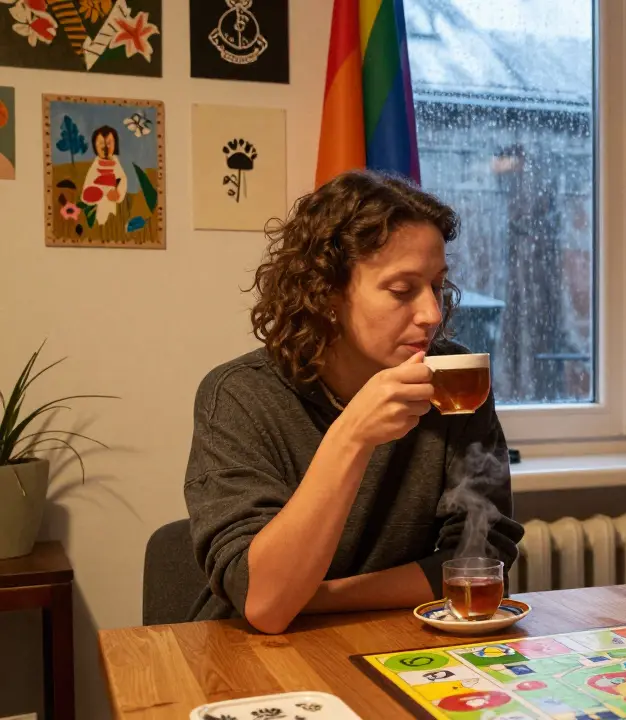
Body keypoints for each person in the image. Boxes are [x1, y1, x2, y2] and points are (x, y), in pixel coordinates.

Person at [183, 169, 524, 634]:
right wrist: (353, 435)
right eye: (402, 290)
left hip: (397, 639)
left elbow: (479, 560)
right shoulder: (238, 398)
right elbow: (263, 601)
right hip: (250, 657)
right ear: (326, 293)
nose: (431, 314)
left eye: (437, 287)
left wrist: (317, 598)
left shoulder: (455, 380)